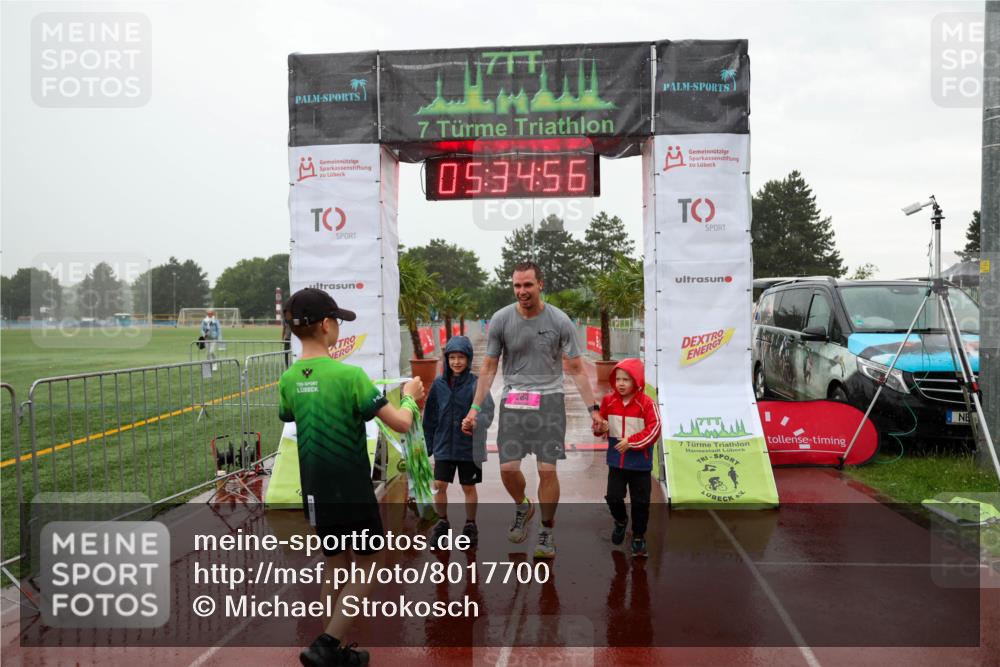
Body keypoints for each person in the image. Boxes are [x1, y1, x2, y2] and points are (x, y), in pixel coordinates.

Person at [278, 287, 424, 667]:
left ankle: (337, 650)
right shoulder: (351, 376)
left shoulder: (289, 379)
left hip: (314, 489)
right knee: (371, 562)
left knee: (335, 564)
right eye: (338, 321)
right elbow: (402, 423)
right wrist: (409, 395)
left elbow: (290, 416)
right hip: (352, 488)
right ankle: (327, 643)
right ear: (326, 325)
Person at [463, 262, 602, 559]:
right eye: (516, 285)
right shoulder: (501, 319)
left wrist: (594, 410)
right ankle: (523, 506)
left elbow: (577, 369)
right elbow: (488, 366)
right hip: (514, 402)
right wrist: (474, 408)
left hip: (550, 403)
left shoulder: (560, 320)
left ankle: (546, 531)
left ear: (540, 284)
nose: (521, 291)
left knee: (546, 470)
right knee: (508, 469)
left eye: (527, 285)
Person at [423, 335, 495, 549]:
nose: (456, 362)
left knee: (468, 487)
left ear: (469, 359)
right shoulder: (439, 384)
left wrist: (476, 423)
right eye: (452, 357)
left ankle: (470, 525)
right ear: (446, 359)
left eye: (461, 357)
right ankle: (442, 523)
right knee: (439, 485)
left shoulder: (476, 384)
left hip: (468, 448)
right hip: (443, 444)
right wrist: (428, 446)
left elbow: (488, 412)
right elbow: (430, 417)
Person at [593, 359, 661, 558]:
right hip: (617, 463)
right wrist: (600, 427)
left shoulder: (647, 403)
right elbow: (599, 426)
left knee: (641, 503)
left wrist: (631, 442)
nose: (621, 383)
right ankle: (621, 521)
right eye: (618, 379)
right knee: (613, 497)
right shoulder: (609, 401)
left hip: (640, 465)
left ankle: (639, 537)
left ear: (637, 381)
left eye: (626, 379)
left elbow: (654, 429)